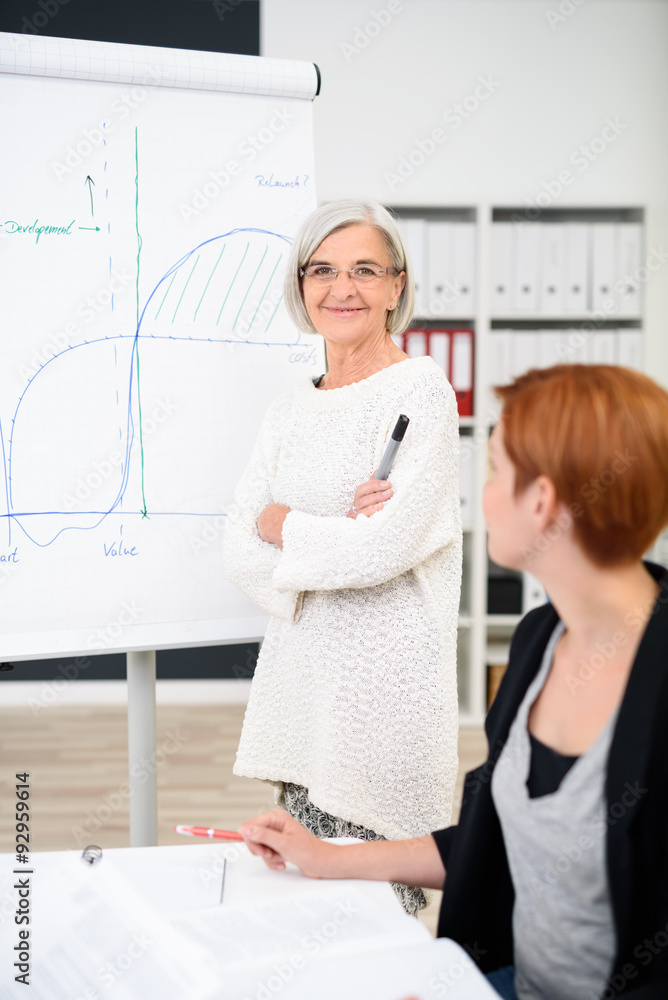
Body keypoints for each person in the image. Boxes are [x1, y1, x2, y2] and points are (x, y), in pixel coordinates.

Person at [239, 363, 668, 999]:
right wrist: (329, 858)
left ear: (543, 500)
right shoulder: (538, 643)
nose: (482, 495)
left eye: (496, 471)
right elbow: (491, 834)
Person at [223, 200, 462, 915]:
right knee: (305, 909)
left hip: (382, 703)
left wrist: (285, 523)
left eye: (363, 269)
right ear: (301, 286)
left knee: (374, 918)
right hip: (303, 692)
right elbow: (238, 546)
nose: (341, 288)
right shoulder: (289, 407)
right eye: (321, 270)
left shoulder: (422, 391)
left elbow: (384, 547)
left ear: (397, 284)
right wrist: (336, 539)